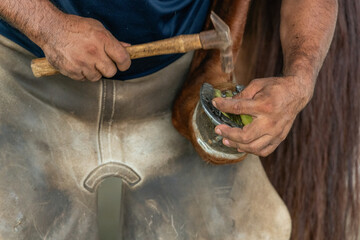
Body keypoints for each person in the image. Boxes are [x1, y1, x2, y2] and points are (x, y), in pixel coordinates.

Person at [0, 0, 339, 239]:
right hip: (25, 79)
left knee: (258, 227)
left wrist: (299, 80)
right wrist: (47, 25)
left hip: (172, 84)